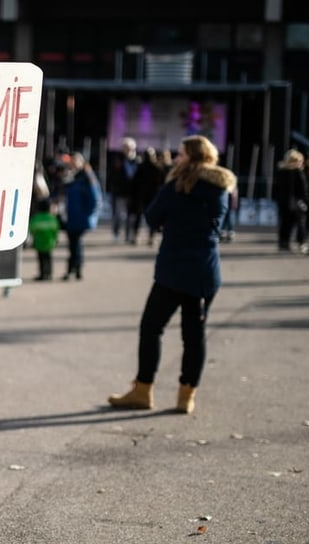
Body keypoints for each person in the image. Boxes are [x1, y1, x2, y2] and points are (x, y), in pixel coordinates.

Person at [107, 135, 236, 415]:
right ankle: (186, 396)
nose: (177, 159)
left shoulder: (177, 185)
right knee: (194, 335)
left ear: (193, 156)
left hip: (173, 270)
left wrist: (172, 223)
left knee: (151, 327)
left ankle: (143, 389)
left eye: (181, 154)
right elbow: (222, 224)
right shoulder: (222, 188)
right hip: (204, 272)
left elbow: (152, 218)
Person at [61, 152, 102, 280]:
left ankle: (75, 270)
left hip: (80, 217)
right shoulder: (71, 177)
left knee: (76, 244)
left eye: (75, 161)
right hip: (71, 217)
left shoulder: (87, 178)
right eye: (72, 162)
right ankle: (74, 270)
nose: (73, 164)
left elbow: (96, 199)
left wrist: (88, 214)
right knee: (73, 245)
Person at [128, 147, 167, 247]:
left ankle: (138, 236)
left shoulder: (144, 167)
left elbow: (134, 183)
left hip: (144, 196)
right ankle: (149, 237)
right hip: (150, 196)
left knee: (140, 216)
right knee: (148, 217)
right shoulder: (156, 168)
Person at [272, 148, 309, 252]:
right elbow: (303, 188)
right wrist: (306, 200)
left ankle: (284, 243)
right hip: (297, 202)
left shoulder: (281, 171)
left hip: (283, 202)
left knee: (285, 223)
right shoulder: (298, 172)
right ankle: (301, 242)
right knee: (300, 223)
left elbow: (276, 188)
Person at [29, 196, 59, 281]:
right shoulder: (52, 218)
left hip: (39, 242)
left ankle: (42, 274)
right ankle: (49, 274)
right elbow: (56, 230)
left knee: (41, 259)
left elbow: (32, 229)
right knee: (48, 258)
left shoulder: (36, 218)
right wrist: (56, 239)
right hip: (49, 242)